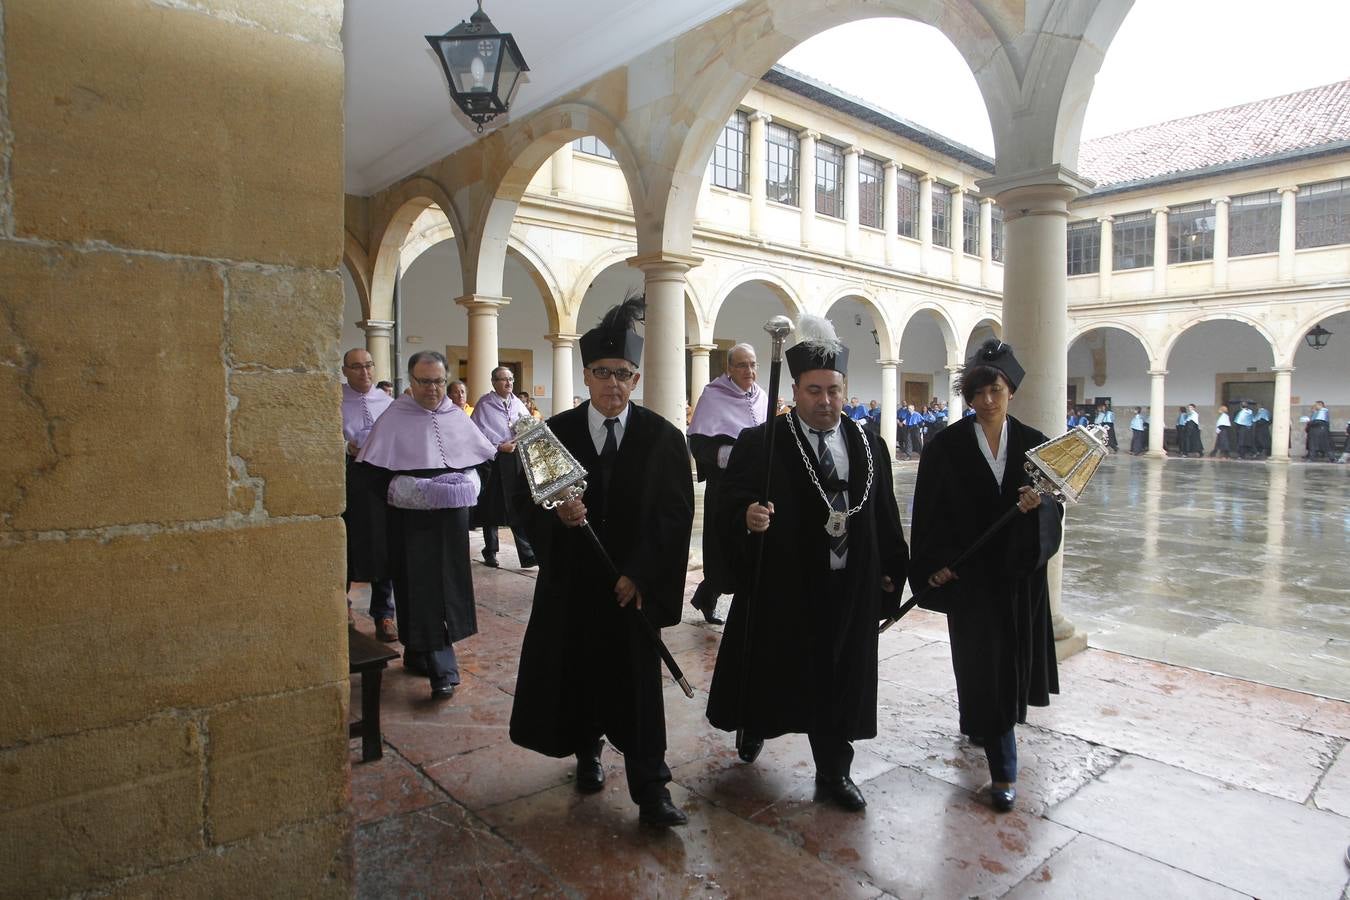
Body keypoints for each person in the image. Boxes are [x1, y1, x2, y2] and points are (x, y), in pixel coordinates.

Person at [705, 315, 909, 813]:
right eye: (813, 390)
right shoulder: (763, 442)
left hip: (846, 587)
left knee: (841, 679)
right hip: (782, 586)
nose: (824, 401)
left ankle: (834, 770)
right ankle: (754, 725)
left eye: (833, 390)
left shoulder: (868, 443)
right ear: (794, 388)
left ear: (845, 389)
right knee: (772, 670)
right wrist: (746, 518)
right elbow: (726, 504)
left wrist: (889, 571)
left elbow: (883, 513)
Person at [509, 294, 694, 828]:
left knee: (637, 692)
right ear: (587, 375)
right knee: (577, 674)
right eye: (603, 373)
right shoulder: (552, 438)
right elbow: (522, 501)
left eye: (625, 374)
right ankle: (586, 753)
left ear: (636, 379)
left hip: (629, 590)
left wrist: (640, 574)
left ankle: (651, 788)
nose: (614, 383)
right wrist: (556, 515)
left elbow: (673, 518)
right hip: (573, 585)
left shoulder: (663, 439)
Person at [907, 339, 1063, 814]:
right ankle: (1002, 770)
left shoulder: (1036, 444)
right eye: (978, 392)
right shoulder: (946, 447)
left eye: (996, 389)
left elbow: (1055, 509)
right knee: (980, 666)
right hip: (970, 577)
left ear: (1010, 389)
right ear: (968, 396)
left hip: (1016, 579)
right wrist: (935, 561)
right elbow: (927, 512)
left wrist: (1039, 510)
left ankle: (988, 729)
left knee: (1004, 670)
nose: (988, 400)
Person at [353, 351, 497, 698]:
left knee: (447, 587)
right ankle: (441, 667)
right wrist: (410, 491)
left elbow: (484, 464)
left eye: (437, 381)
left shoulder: (457, 417)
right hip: (411, 525)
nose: (432, 389)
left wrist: (468, 483)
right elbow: (369, 475)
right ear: (411, 381)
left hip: (450, 524)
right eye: (423, 381)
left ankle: (422, 654)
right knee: (420, 588)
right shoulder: (394, 417)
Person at [687, 342, 769, 625]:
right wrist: (727, 455)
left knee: (753, 546)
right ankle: (708, 597)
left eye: (753, 364)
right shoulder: (713, 395)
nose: (749, 370)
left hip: (755, 484)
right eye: (742, 365)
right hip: (725, 485)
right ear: (729, 368)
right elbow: (697, 443)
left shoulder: (761, 396)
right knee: (723, 546)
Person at [341, 349, 397, 640]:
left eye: (368, 366)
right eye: (357, 367)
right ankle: (343, 604)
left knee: (383, 545)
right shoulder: (333, 401)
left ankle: (384, 614)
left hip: (380, 480)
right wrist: (345, 447)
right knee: (347, 542)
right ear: (345, 371)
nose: (364, 373)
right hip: (348, 478)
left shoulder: (388, 403)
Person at [470, 368, 537, 568]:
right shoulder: (484, 404)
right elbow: (477, 433)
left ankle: (527, 554)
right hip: (495, 460)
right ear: (493, 382)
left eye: (510, 379)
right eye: (503, 380)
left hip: (515, 458)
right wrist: (499, 446)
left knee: (518, 504)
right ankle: (490, 551)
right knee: (492, 507)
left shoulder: (518, 403)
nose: (508, 383)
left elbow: (529, 425)